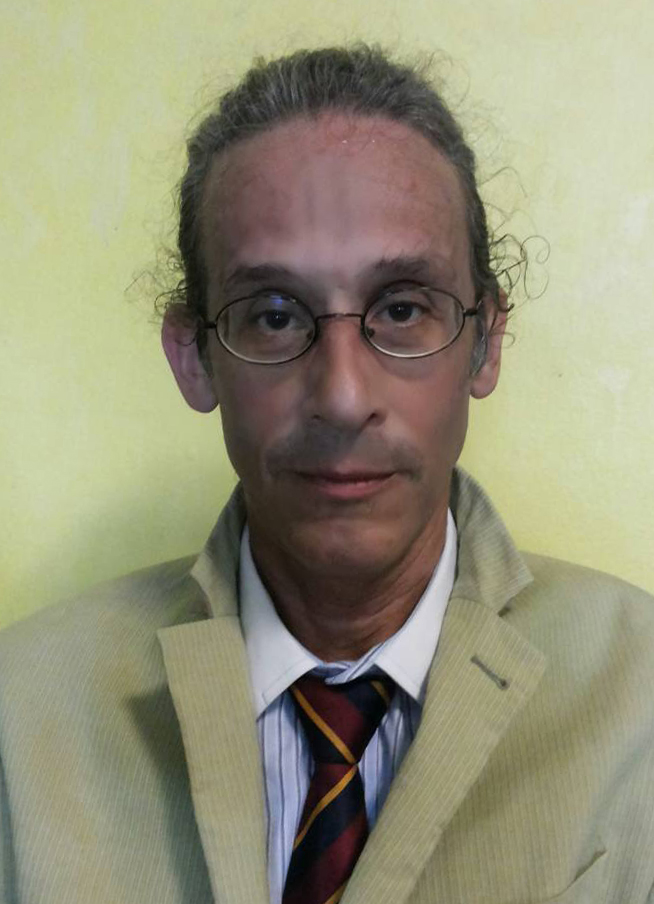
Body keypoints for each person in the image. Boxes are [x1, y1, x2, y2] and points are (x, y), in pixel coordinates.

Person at [1, 44, 653, 904]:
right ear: (194, 358)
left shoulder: (640, 702)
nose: (343, 398)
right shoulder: (22, 719)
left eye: (402, 307)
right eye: (274, 316)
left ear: (485, 343)